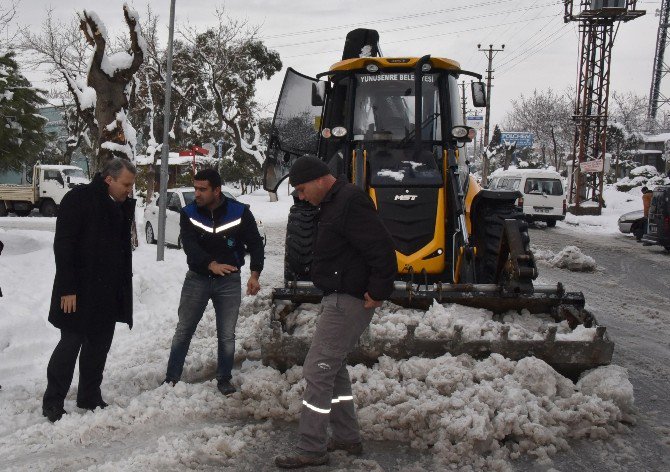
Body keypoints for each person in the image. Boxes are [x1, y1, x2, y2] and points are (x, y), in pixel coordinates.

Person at [274, 155, 397, 469]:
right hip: (338, 296)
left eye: (301, 189)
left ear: (318, 179)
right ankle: (345, 436)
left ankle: (310, 447)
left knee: (317, 370)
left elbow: (381, 246)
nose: (301, 196)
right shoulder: (333, 202)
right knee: (333, 368)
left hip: (348, 300)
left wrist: (379, 288)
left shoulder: (350, 201)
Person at [42, 158, 137, 423]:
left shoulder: (118, 204)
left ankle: (89, 395)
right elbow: (64, 246)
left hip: (107, 293)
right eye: (126, 185)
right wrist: (67, 289)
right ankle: (53, 401)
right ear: (109, 179)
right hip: (78, 291)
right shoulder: (79, 199)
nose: (129, 190)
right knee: (71, 344)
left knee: (99, 346)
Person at [164, 168, 264, 395]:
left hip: (229, 282)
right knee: (184, 330)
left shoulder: (240, 213)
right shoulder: (188, 213)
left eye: (202, 189)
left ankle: (224, 379)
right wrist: (211, 264)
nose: (196, 194)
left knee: (227, 334)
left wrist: (255, 274)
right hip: (197, 279)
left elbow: (256, 243)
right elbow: (189, 246)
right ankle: (171, 379)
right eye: (195, 188)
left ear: (217, 191)